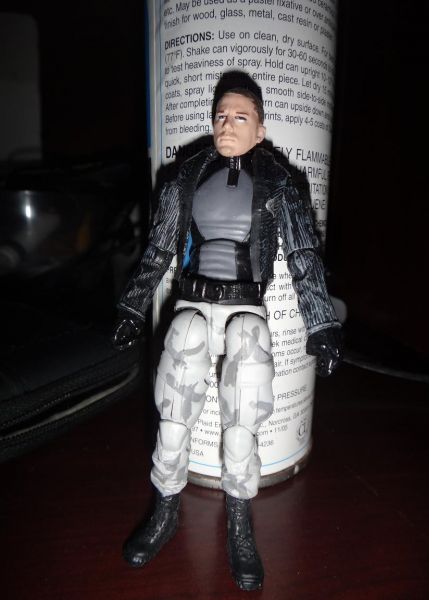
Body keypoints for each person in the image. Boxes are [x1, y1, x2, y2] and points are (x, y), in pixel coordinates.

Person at [112, 81, 342, 591]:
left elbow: (303, 254)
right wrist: (132, 306)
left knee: (243, 418)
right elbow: (158, 249)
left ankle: (239, 522)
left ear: (260, 130)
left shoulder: (279, 182)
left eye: (240, 117)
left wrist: (321, 323)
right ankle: (165, 509)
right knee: (174, 411)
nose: (226, 125)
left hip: (245, 306)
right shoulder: (186, 177)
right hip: (193, 303)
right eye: (220, 115)